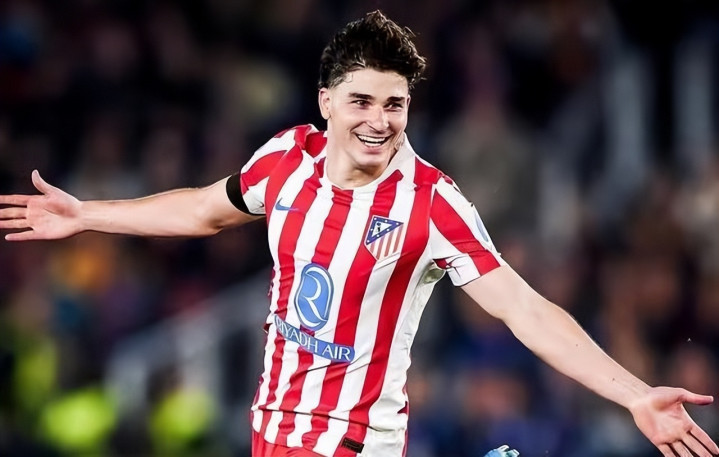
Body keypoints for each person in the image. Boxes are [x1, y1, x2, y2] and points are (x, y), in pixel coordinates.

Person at [0, 10, 717, 457]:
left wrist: (632, 394)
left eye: (394, 104)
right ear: (326, 101)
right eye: (362, 101)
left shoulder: (432, 202)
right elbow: (202, 210)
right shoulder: (286, 158)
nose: (379, 120)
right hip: (270, 433)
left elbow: (523, 307)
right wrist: (87, 214)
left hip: (352, 441)